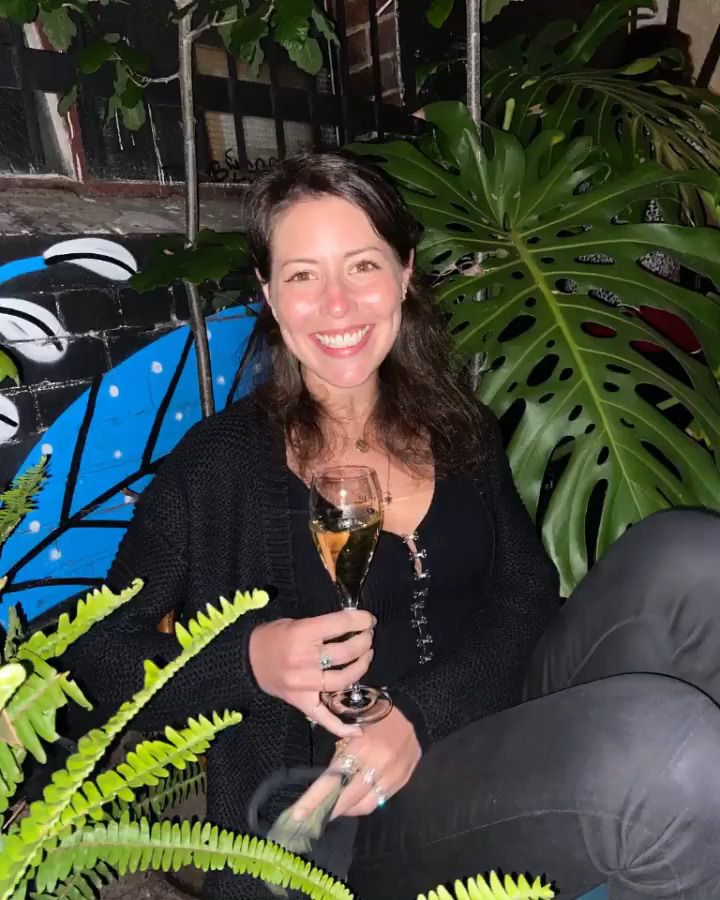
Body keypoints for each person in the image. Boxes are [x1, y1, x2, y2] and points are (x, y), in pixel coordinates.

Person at [62, 152, 720, 900]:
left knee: (694, 557)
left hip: (482, 710)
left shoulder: (455, 424)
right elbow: (93, 658)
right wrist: (248, 660)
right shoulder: (217, 465)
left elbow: (526, 590)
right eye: (303, 275)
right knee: (665, 755)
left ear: (404, 274)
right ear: (270, 294)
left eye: (363, 266)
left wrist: (418, 716)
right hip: (343, 803)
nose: (338, 305)